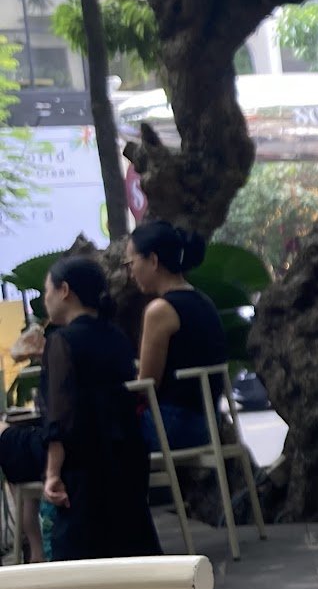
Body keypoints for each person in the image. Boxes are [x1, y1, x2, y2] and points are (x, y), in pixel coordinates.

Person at [0, 258, 157, 561]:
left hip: (74, 453)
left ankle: (33, 546)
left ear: (64, 291)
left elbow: (61, 419)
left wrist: (53, 473)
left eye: (48, 292)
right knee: (18, 446)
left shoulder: (62, 341)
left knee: (5, 438)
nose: (45, 300)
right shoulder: (116, 337)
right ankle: (34, 543)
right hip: (120, 448)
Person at [127, 220, 227, 449]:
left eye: (131, 262)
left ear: (152, 260)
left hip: (171, 426)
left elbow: (147, 385)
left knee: (90, 434)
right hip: (207, 424)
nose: (130, 272)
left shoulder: (159, 310)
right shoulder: (204, 301)